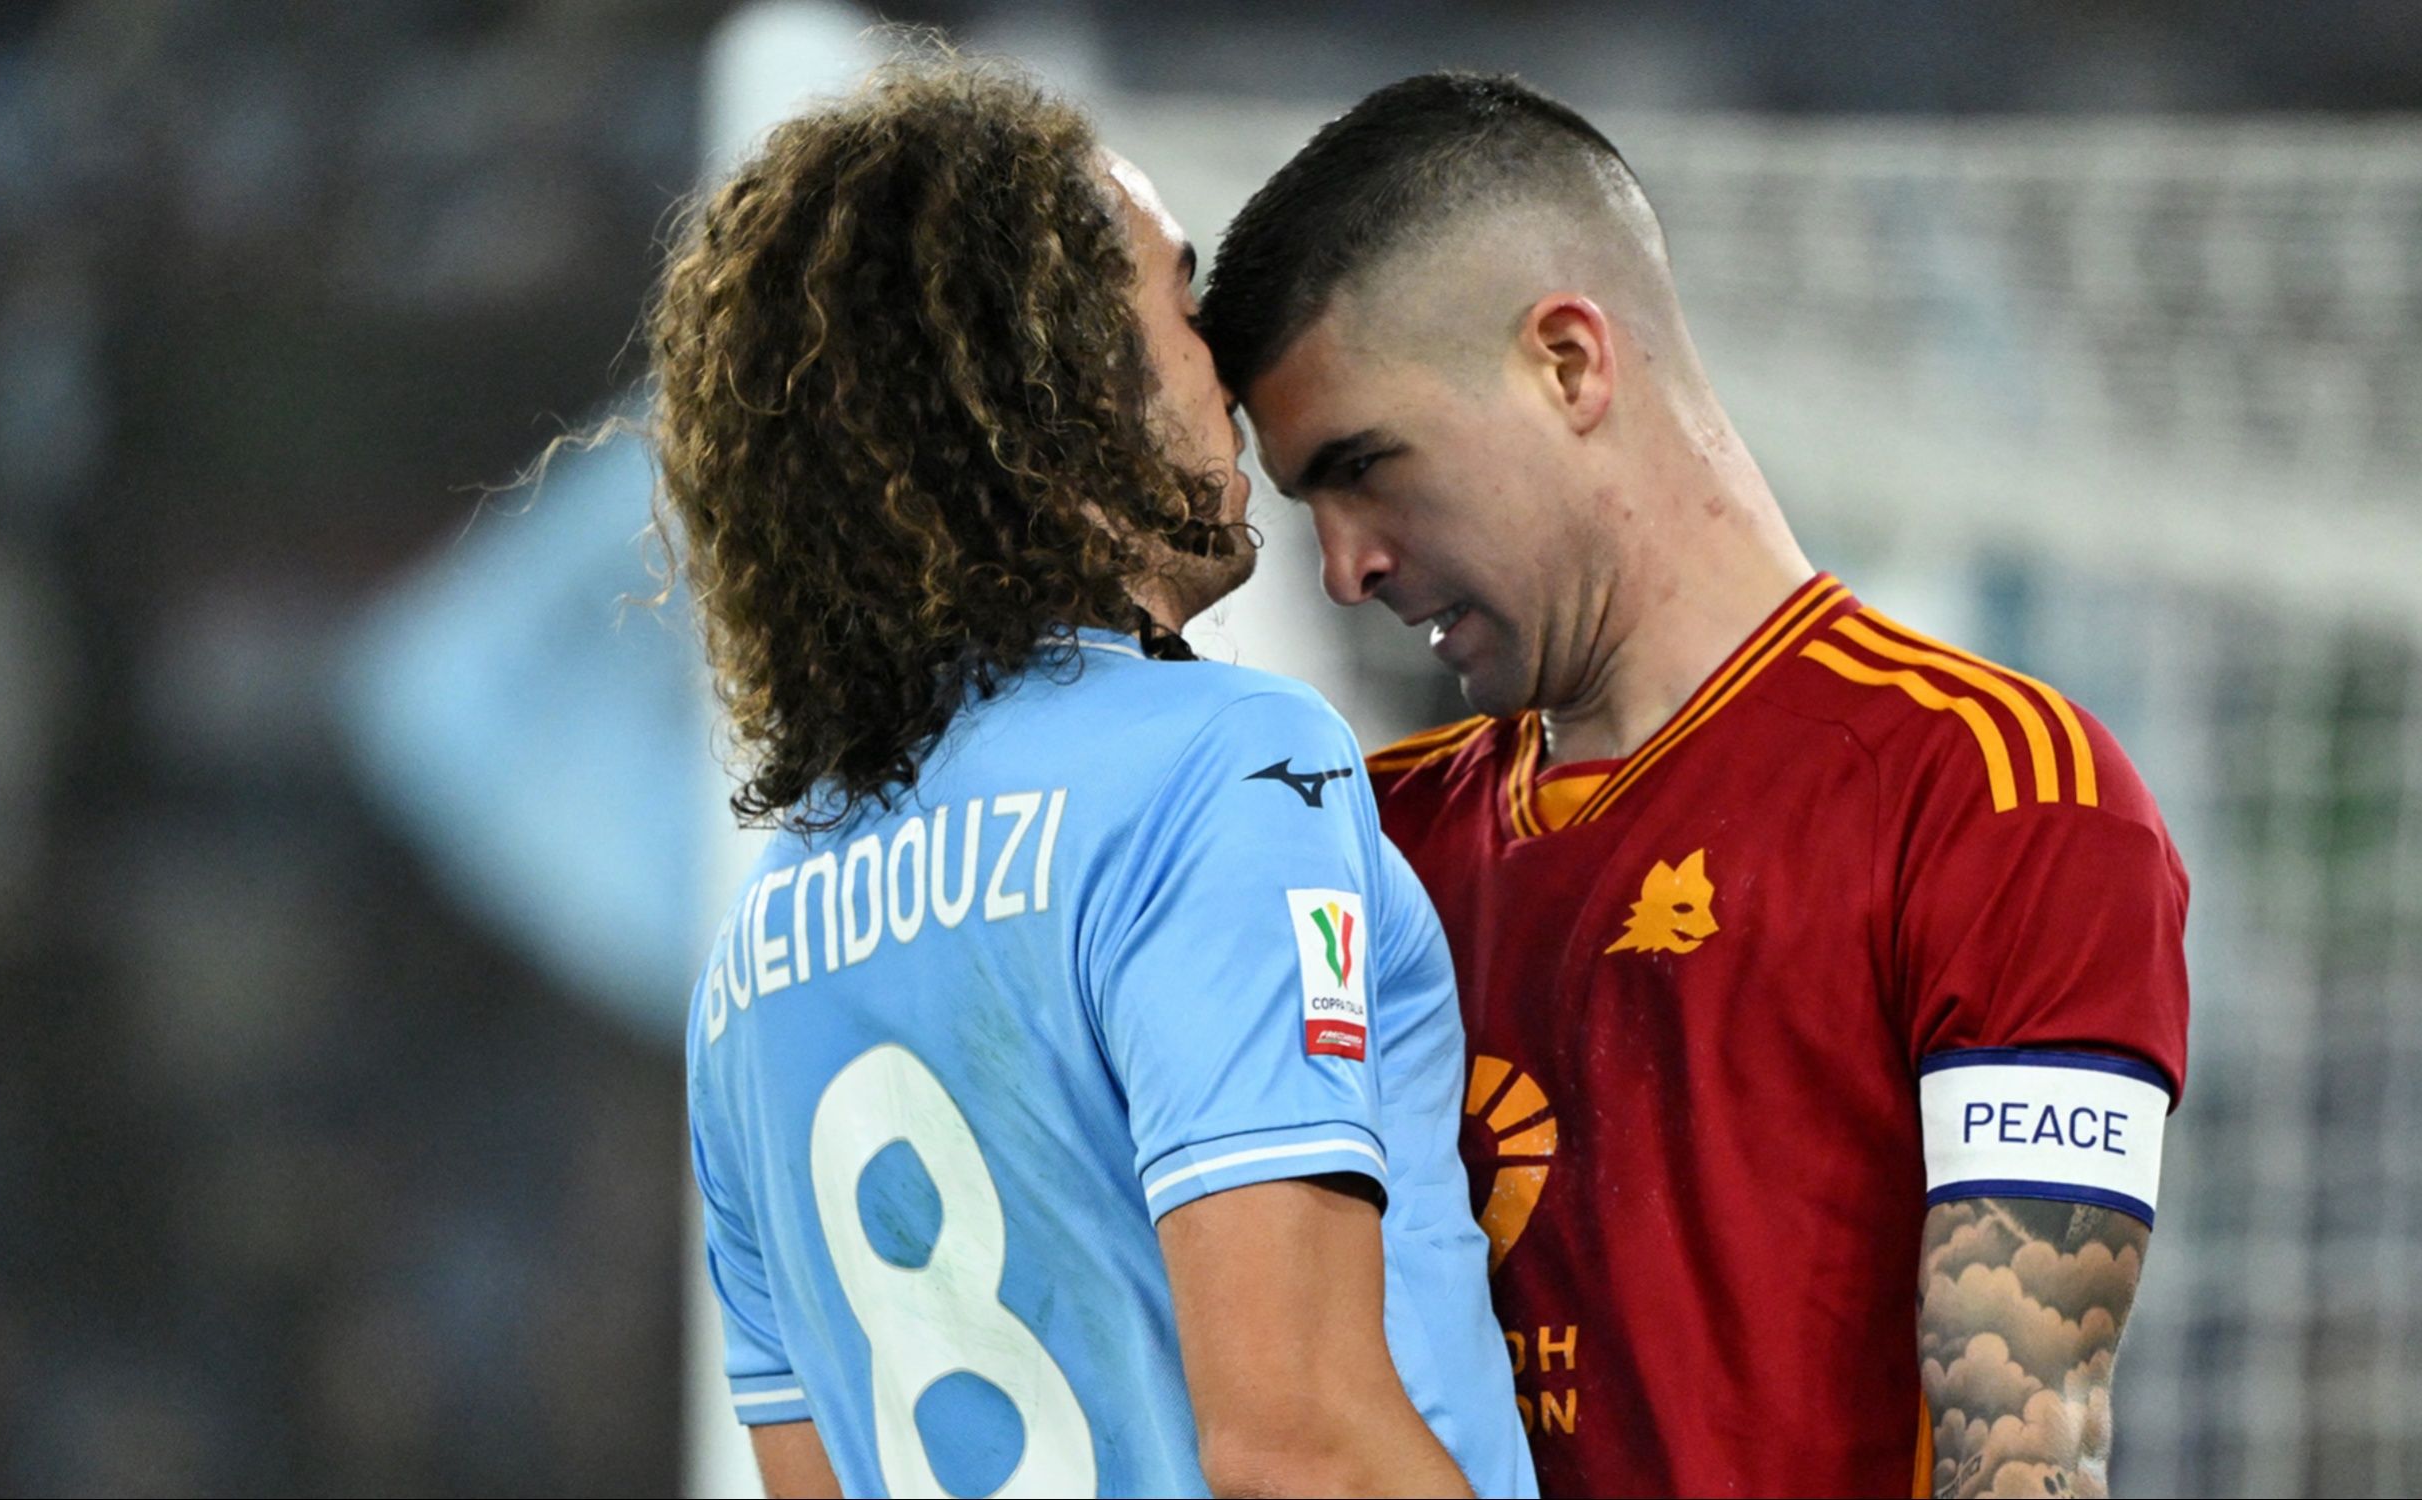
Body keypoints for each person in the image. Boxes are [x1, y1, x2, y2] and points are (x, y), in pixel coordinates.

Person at [1202, 72, 2190, 1499]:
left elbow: (2026, 1445)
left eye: (1368, 471)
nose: (1347, 566)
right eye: (1310, 504)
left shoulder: (1998, 797)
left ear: (1567, 364)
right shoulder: (1350, 844)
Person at [651, 55, 1531, 1499]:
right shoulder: (1228, 767)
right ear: (1051, 377)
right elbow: (1298, 1445)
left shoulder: (757, 960)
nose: (1225, 376)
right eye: (1179, 311)